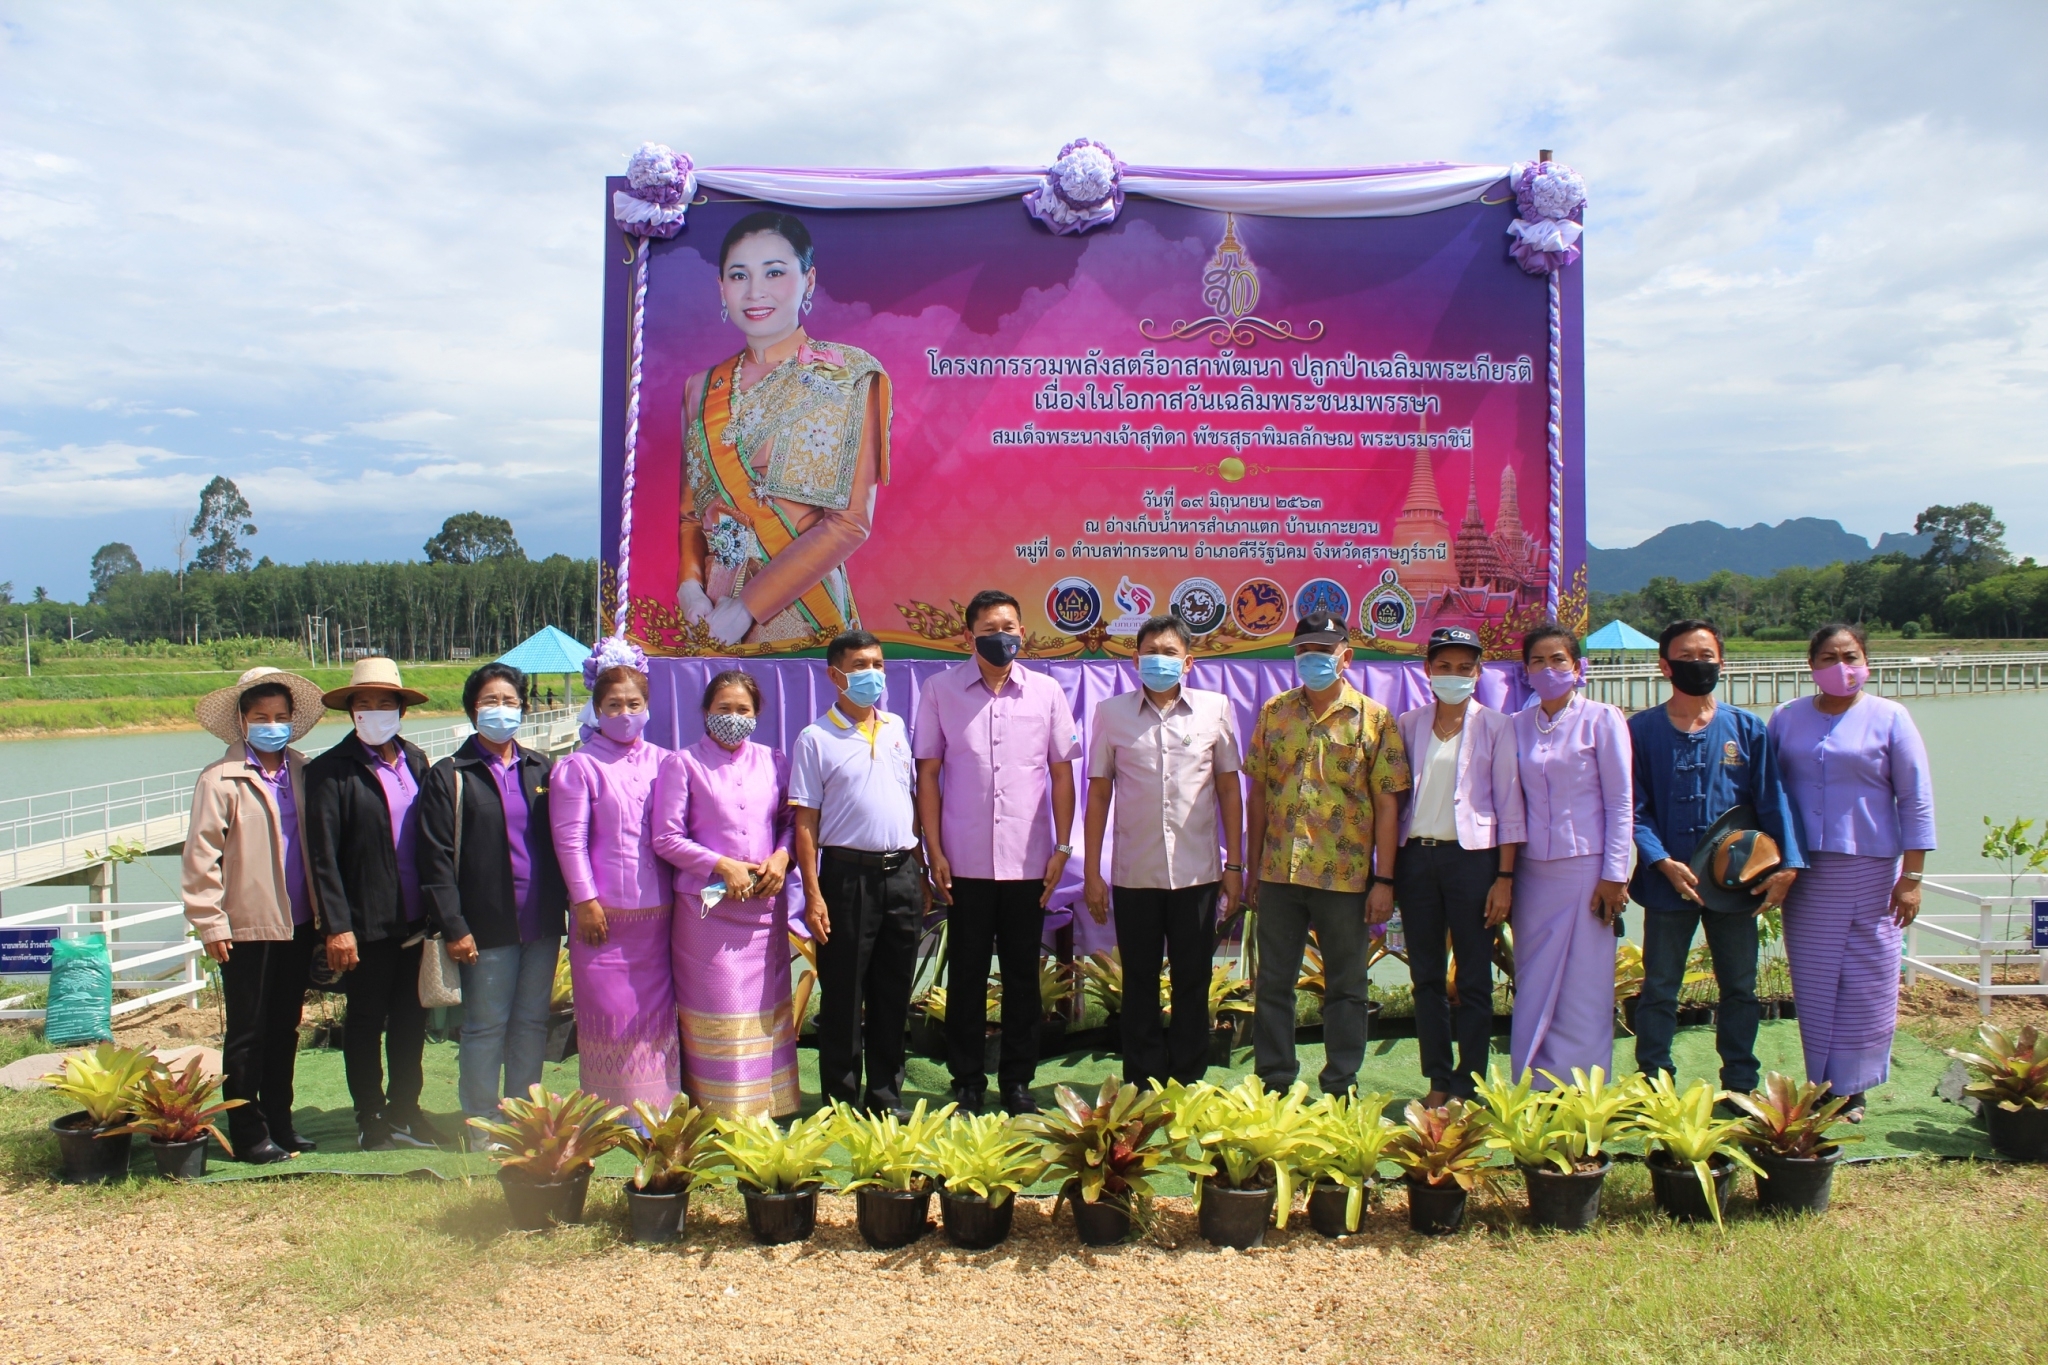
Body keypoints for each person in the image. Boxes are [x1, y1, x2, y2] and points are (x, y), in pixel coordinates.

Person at [677, 210, 893, 645]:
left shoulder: (848, 374)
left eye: (774, 272)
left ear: (808, 280)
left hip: (805, 608)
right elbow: (691, 515)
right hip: (713, 612)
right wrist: (689, 585)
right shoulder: (700, 388)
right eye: (739, 276)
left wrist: (748, 606)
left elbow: (851, 522)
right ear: (722, 288)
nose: (755, 291)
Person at [914, 588, 1080, 1115]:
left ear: (1023, 633)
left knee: (1022, 978)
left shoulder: (1046, 693)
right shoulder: (940, 690)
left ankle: (1016, 1082)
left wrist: (1062, 846)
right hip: (962, 862)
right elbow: (928, 774)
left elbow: (1061, 774)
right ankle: (966, 1081)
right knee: (964, 974)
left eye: (1009, 628)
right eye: (989, 630)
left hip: (1029, 862)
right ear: (968, 636)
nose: (1001, 637)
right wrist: (933, 849)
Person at [1630, 619, 1805, 1096]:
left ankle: (1740, 1084)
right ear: (1665, 666)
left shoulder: (1747, 728)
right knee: (1660, 987)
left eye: (1706, 656)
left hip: (1736, 881)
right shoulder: (1640, 730)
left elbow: (1773, 800)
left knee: (1740, 987)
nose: (1698, 665)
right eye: (1686, 657)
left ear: (1722, 662)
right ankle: (1654, 1084)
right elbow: (1633, 808)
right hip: (1667, 881)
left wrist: (1788, 864)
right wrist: (1661, 860)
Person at [1768, 622, 1935, 1120]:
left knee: (1866, 977)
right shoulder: (1786, 717)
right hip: (1805, 870)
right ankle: (1821, 1083)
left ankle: (1854, 1086)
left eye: (1850, 656)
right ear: (1811, 665)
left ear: (1866, 661)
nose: (1841, 666)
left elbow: (1915, 798)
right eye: (1828, 657)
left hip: (1870, 868)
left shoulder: (1891, 717)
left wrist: (1912, 878)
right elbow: (1767, 790)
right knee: (1815, 977)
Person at [1245, 611, 1410, 1098]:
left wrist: (1384, 880)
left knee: (1347, 986)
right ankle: (1275, 1080)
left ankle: (1341, 1082)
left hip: (1345, 877)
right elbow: (1258, 793)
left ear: (1346, 657)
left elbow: (1388, 804)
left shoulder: (1375, 719)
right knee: (1274, 982)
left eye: (1323, 650)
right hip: (1279, 873)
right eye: (1303, 650)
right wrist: (1252, 869)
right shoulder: (1275, 712)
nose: (1311, 658)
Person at [1082, 615, 1245, 1088]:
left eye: (1170, 652)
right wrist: (1091, 872)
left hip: (1198, 873)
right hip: (1135, 874)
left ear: (1188, 662)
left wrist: (1235, 865)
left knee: (1194, 980)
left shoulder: (1215, 709)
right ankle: (1142, 1081)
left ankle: (1189, 1077)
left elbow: (1229, 789)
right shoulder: (1111, 713)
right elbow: (1098, 793)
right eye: (1150, 652)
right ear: (1135, 660)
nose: (1159, 660)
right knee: (1139, 981)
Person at [183, 665, 330, 1163]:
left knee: (286, 1027)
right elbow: (201, 856)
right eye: (261, 717)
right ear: (243, 721)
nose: (272, 725)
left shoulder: (304, 771)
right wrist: (209, 921)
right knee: (248, 1032)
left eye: (280, 716)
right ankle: (247, 1133)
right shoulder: (220, 779)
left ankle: (281, 1122)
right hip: (247, 923)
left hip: (299, 921)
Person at [417, 663, 567, 1121]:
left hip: (540, 922)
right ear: (472, 709)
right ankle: (482, 1121)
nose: (501, 709)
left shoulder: (542, 768)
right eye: (490, 701)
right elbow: (435, 858)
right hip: (483, 929)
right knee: (485, 1027)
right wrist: (454, 925)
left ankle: (522, 1119)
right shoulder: (450, 775)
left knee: (531, 1024)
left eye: (509, 701)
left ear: (523, 708)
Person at [304, 657, 443, 1151]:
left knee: (411, 1019)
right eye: (365, 704)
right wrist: (336, 926)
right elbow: (322, 856)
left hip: (415, 917)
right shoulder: (330, 771)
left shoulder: (416, 761)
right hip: (364, 922)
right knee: (365, 1020)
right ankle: (370, 1116)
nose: (376, 711)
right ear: (352, 712)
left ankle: (406, 1109)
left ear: (401, 710)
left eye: (386, 703)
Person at [653, 669, 801, 1119]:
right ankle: (722, 1110)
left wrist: (782, 857)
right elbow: (666, 837)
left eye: (743, 710)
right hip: (707, 911)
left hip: (764, 909)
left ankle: (770, 1104)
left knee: (763, 1007)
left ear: (756, 715)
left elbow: (790, 823)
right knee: (720, 1004)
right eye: (724, 709)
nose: (733, 717)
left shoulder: (774, 761)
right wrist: (721, 864)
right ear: (705, 712)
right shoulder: (682, 764)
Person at [789, 630, 923, 1116]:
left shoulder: (896, 727)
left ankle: (886, 1096)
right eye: (860, 665)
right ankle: (840, 1101)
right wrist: (813, 894)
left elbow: (909, 799)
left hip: (902, 872)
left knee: (893, 990)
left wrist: (922, 870)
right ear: (835, 674)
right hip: (846, 878)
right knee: (844, 994)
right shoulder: (814, 738)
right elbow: (805, 823)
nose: (872, 674)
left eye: (878, 664)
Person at [1393, 625, 1526, 1104]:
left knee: (1473, 978)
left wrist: (1504, 877)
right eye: (1444, 667)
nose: (1454, 675)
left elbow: (1510, 807)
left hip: (1473, 862)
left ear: (1478, 672)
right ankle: (1437, 1080)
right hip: (1416, 860)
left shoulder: (1497, 726)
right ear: (1428, 671)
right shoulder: (1407, 724)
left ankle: (1469, 1082)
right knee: (1426, 977)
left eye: (1464, 668)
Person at [549, 637, 680, 1111]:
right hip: (603, 920)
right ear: (597, 709)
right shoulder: (578, 767)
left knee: (655, 1018)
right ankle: (612, 1115)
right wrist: (585, 901)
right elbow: (570, 841)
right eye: (613, 705)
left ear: (647, 707)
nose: (625, 713)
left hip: (660, 916)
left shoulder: (665, 761)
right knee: (612, 1016)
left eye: (634, 704)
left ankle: (660, 1113)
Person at [1508, 624, 1633, 1086]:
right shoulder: (1516, 725)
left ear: (1577, 667)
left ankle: (1582, 1086)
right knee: (1535, 979)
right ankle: (1534, 1082)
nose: (1548, 669)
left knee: (1584, 982)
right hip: (1531, 872)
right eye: (1537, 661)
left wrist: (1615, 874)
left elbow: (1621, 802)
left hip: (1587, 869)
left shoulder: (1602, 718)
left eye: (1558, 659)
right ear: (1525, 671)